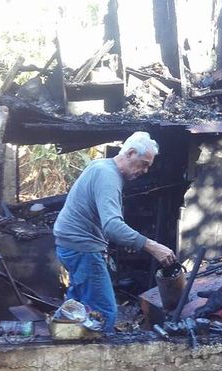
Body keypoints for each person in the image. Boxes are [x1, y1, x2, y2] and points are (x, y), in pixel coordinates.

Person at [53, 131, 176, 332]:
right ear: (130, 153)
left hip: (71, 245)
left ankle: (62, 344)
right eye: (144, 163)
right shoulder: (107, 175)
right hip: (82, 248)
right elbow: (112, 227)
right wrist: (153, 247)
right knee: (104, 312)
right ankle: (96, 360)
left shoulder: (101, 166)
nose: (145, 170)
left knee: (76, 307)